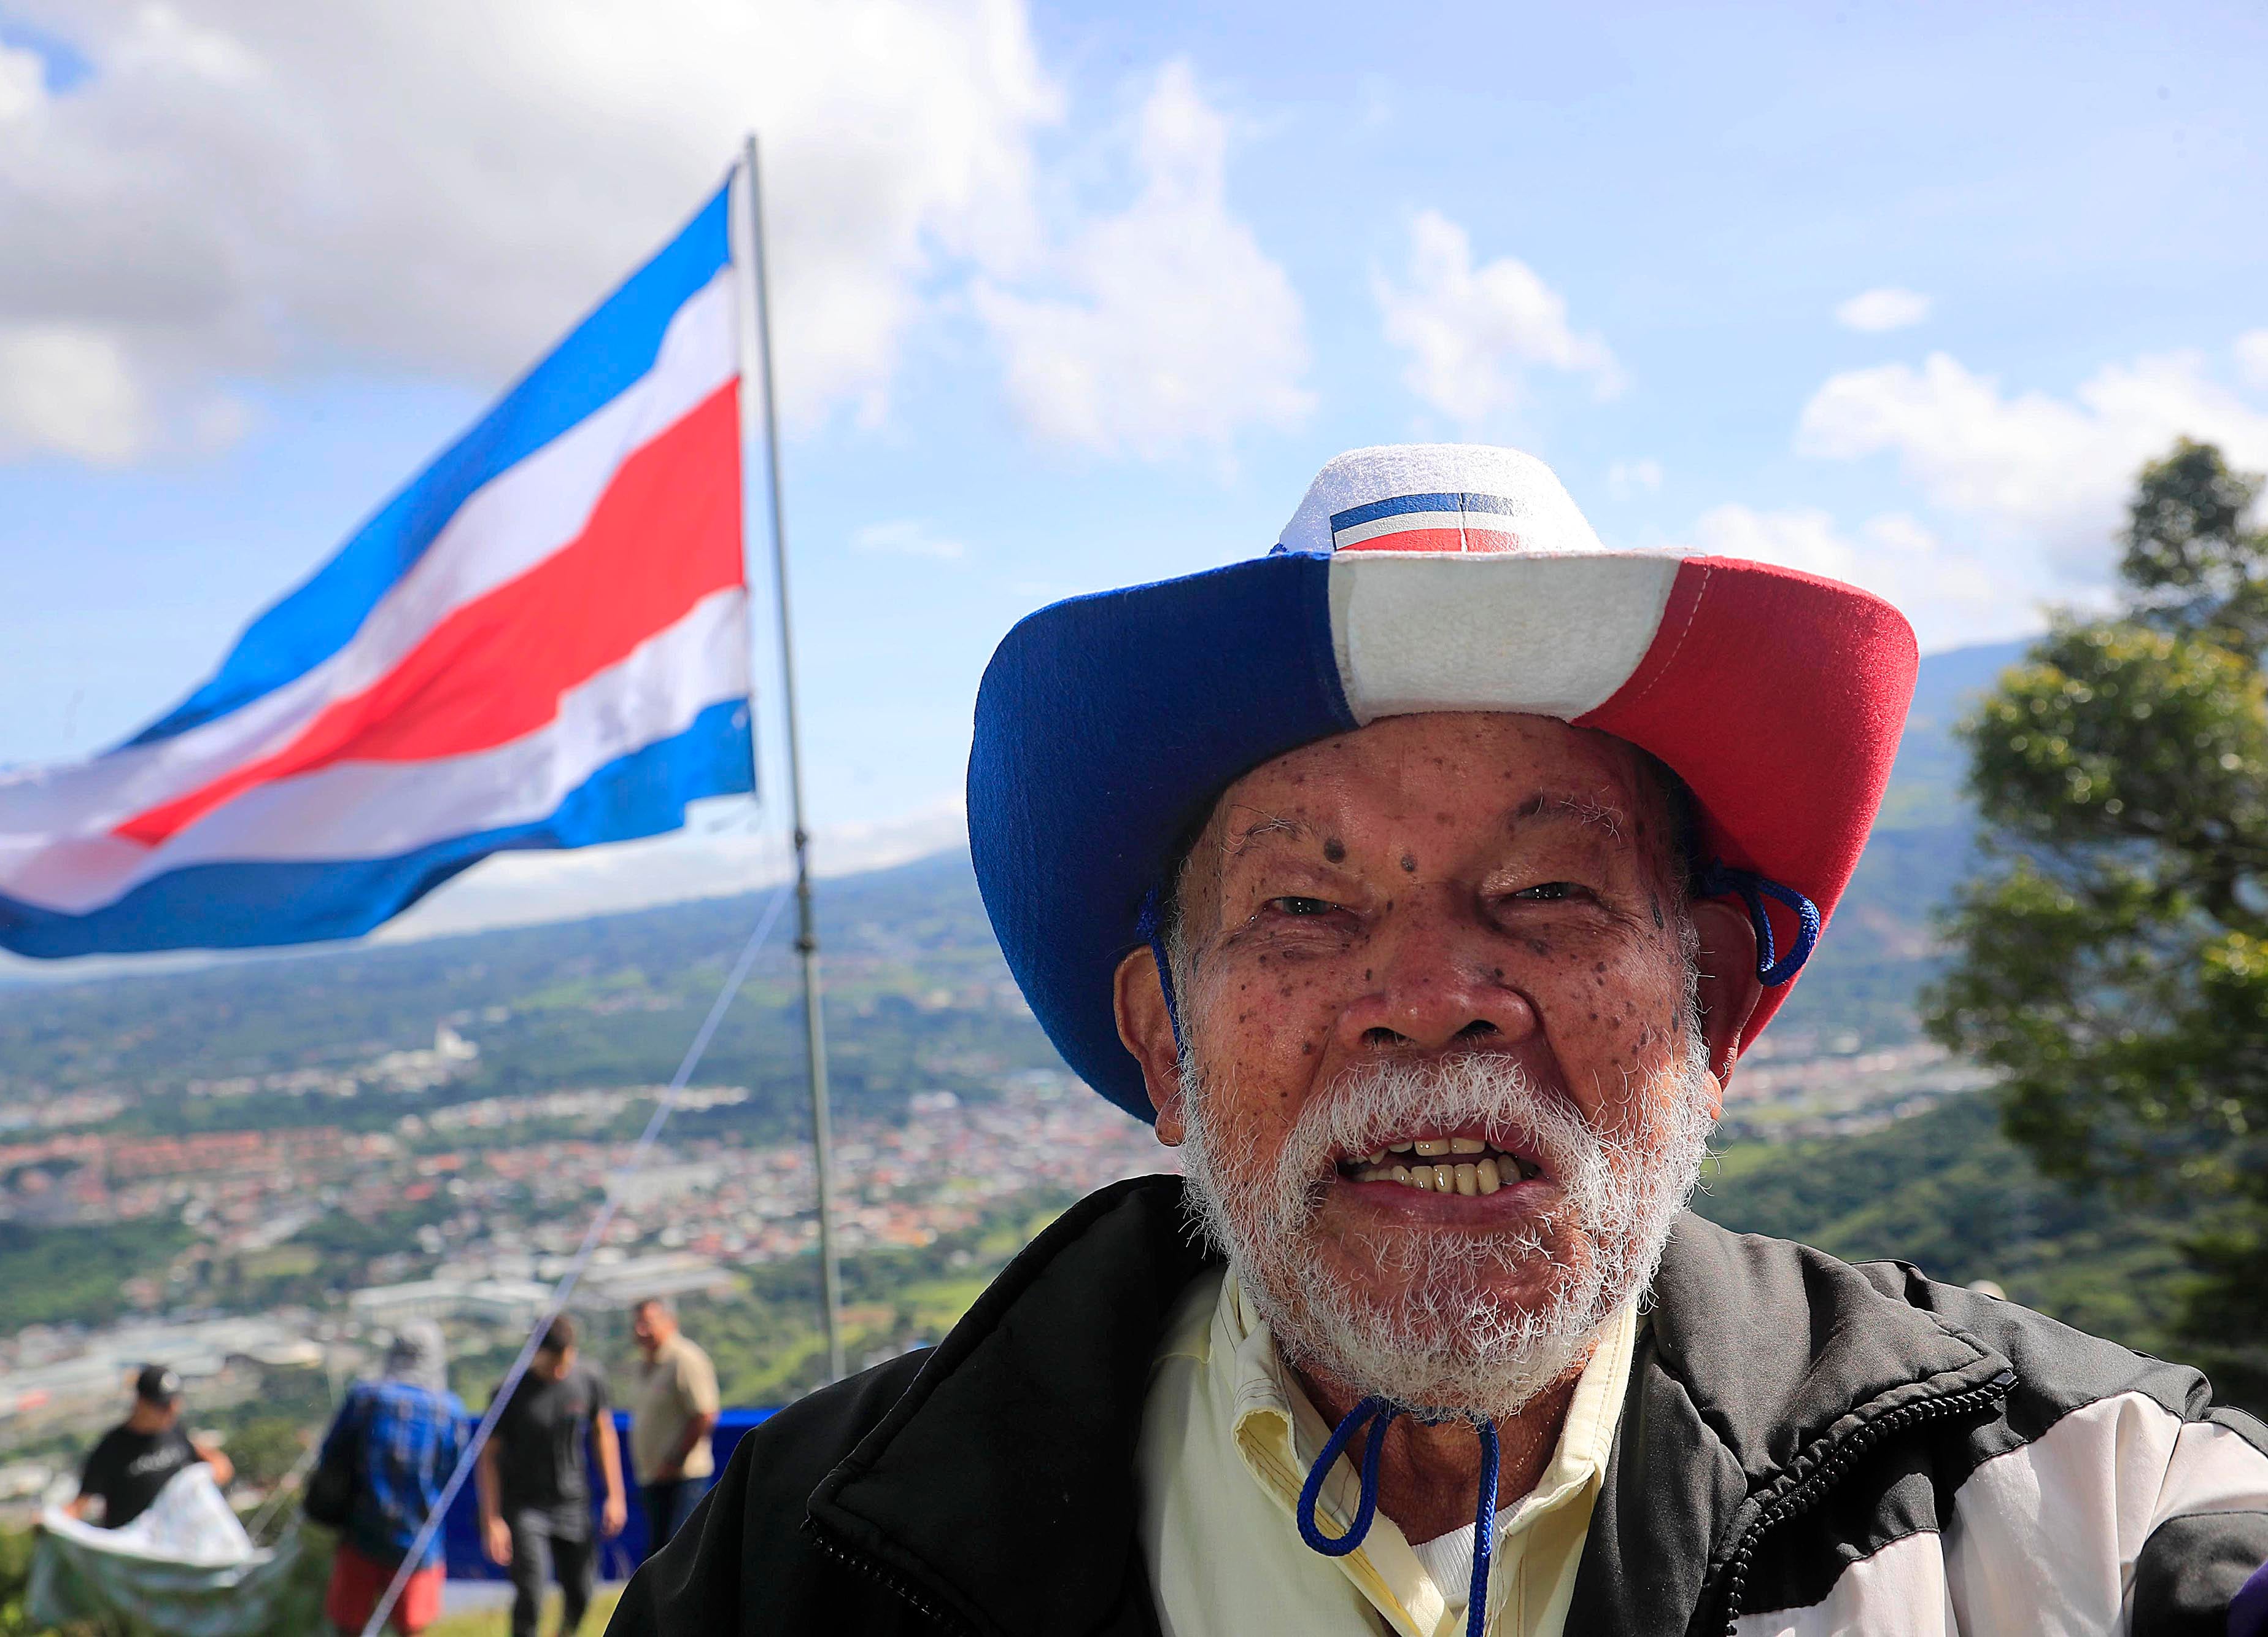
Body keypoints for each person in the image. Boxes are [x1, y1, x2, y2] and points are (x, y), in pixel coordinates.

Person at [611, 444, 2268, 1636]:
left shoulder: (2059, 1502)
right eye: (1307, 911)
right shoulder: (800, 1567)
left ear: (1711, 1004)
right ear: (1166, 1047)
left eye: (1549, 887)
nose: (1435, 990)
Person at [313, 1320, 468, 1637]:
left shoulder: (366, 1398)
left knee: (349, 1625)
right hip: (419, 1540)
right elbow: (452, 1474)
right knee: (411, 1628)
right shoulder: (450, 1411)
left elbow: (331, 1454)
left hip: (361, 1532)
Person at [482, 1312, 627, 1637]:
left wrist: (615, 1496)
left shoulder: (589, 1379)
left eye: (566, 1361)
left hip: (574, 1502)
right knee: (531, 1591)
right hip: (525, 1507)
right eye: (552, 1364)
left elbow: (603, 1433)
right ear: (535, 1353)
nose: (560, 1370)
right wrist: (492, 1519)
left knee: (582, 1592)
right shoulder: (508, 1392)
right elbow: (488, 1458)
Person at [67, 1364, 232, 1529]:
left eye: (174, 1402)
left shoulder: (174, 1430)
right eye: (163, 1406)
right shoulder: (111, 1448)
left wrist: (212, 1472)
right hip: (134, 1547)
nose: (171, 1411)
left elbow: (212, 1462)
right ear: (140, 1402)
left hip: (176, 1540)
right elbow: (79, 1506)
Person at [623, 1297, 719, 1552]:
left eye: (648, 1323)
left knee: (680, 1554)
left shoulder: (685, 1359)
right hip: (653, 1477)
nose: (641, 1331)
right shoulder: (643, 1363)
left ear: (670, 1322)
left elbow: (704, 1415)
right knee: (659, 1556)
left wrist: (674, 1461)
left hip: (683, 1479)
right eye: (637, 1324)